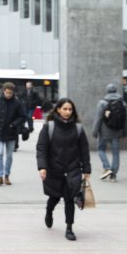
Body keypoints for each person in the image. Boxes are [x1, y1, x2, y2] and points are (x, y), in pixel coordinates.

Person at [36, 98, 91, 241]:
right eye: (65, 109)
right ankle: (49, 211)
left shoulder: (78, 128)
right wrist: (42, 167)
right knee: (54, 197)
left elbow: (84, 150)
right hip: (54, 169)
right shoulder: (49, 127)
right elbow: (41, 148)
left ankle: (69, 228)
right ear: (58, 109)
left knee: (69, 198)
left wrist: (86, 169)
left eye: (70, 109)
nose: (67, 112)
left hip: (72, 169)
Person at [0, 82, 27, 186]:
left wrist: (14, 124)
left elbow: (23, 116)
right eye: (7, 92)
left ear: (13, 92)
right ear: (3, 91)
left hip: (11, 132)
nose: (8, 95)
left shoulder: (17, 102)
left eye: (10, 93)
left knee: (9, 155)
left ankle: (7, 175)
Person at [92, 83, 127, 183]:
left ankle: (107, 168)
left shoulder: (102, 103)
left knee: (101, 149)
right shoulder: (122, 103)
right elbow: (125, 119)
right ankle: (113, 175)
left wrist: (95, 131)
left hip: (104, 132)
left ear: (107, 91)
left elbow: (98, 118)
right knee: (116, 153)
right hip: (117, 132)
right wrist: (125, 131)